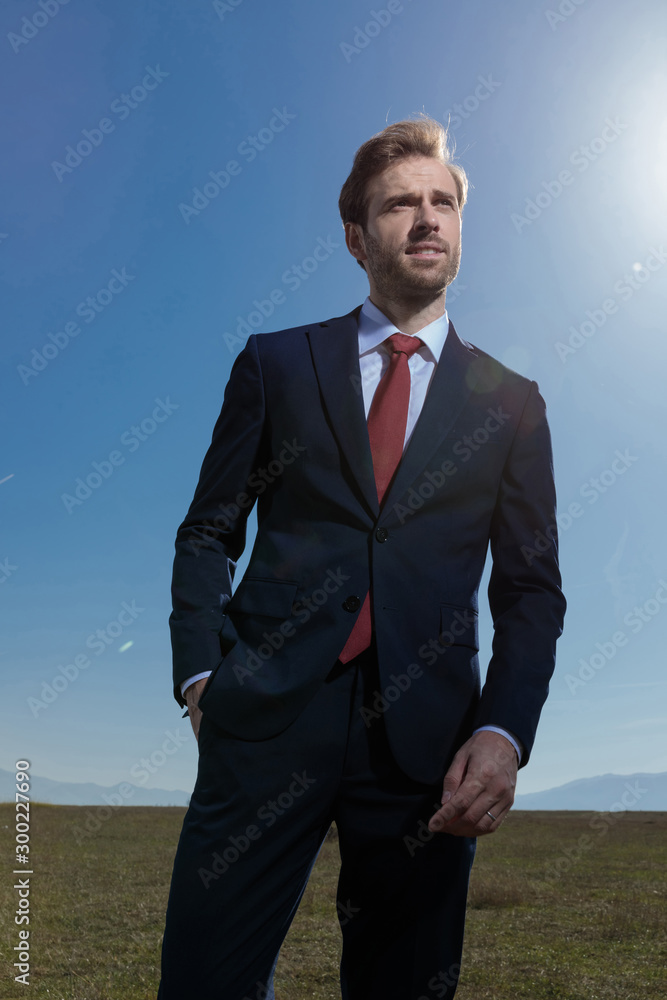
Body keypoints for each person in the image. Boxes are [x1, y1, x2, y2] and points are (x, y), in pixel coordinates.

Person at [157, 115, 566, 1000]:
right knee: (203, 983)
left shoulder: (513, 405)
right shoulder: (277, 363)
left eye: (442, 202)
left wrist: (502, 733)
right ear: (355, 237)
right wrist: (200, 676)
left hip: (428, 747)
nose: (425, 218)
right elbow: (207, 531)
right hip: (263, 717)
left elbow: (531, 591)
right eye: (398, 204)